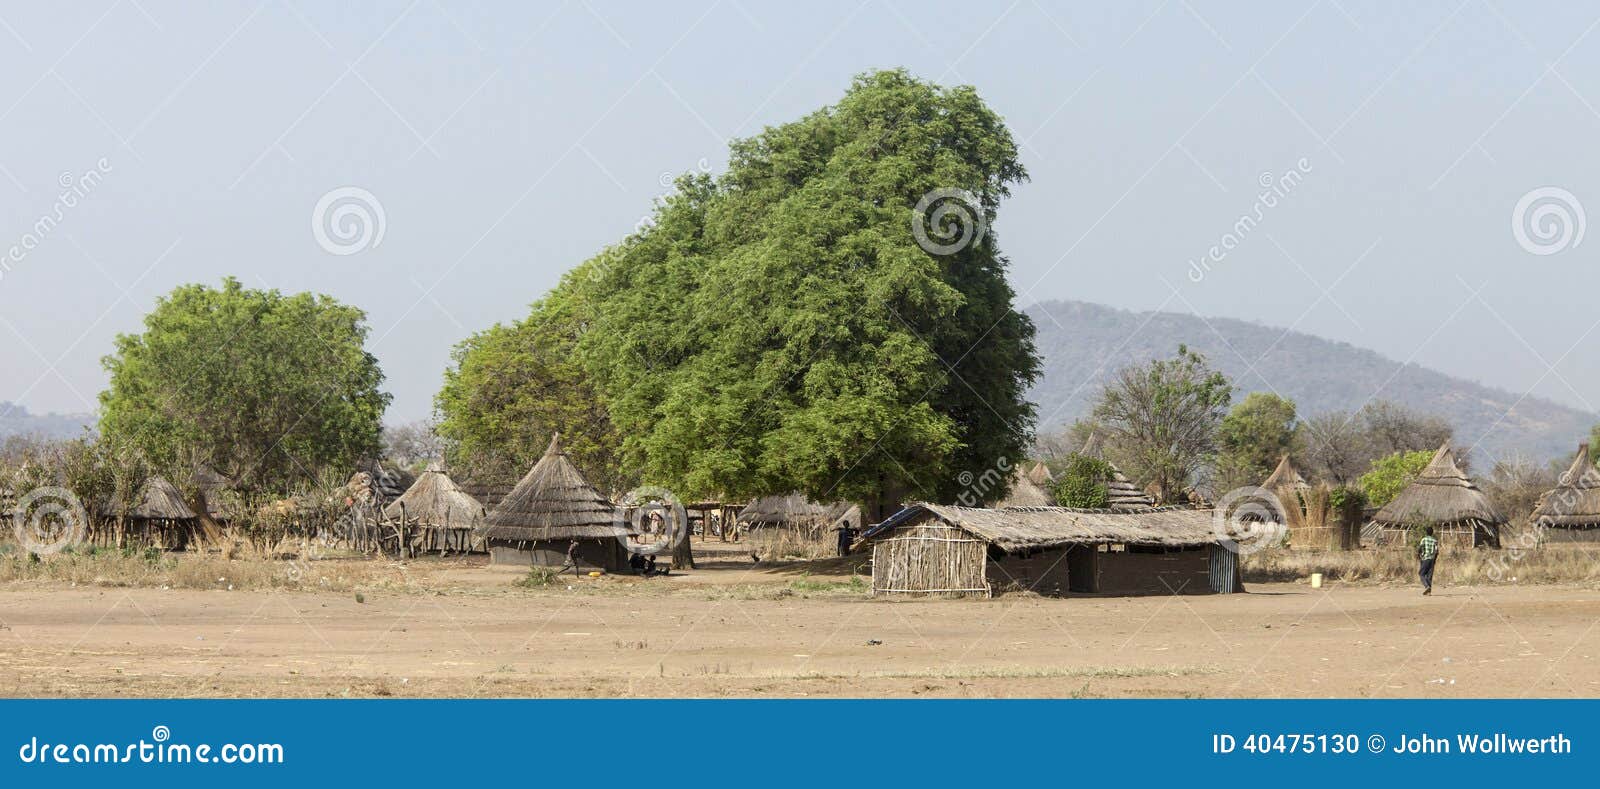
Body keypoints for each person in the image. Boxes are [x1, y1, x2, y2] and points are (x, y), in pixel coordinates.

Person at [1416, 526, 1439, 595]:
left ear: (1426, 532)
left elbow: (1420, 548)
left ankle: (1426, 586)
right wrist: (1434, 560)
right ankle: (1429, 592)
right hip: (1432, 559)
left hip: (1425, 558)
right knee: (1429, 576)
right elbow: (1437, 551)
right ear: (1432, 533)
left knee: (1421, 573)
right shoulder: (1435, 541)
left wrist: (1418, 555)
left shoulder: (1424, 539)